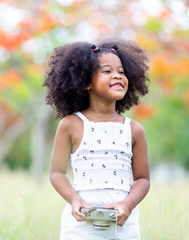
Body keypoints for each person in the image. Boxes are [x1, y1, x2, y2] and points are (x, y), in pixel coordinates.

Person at [43, 38, 150, 239]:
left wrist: (128, 204)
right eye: (107, 71)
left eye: (121, 71)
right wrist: (74, 201)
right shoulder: (70, 124)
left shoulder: (134, 130)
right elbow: (57, 173)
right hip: (81, 225)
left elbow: (143, 179)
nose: (117, 76)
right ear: (85, 82)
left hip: (122, 226)